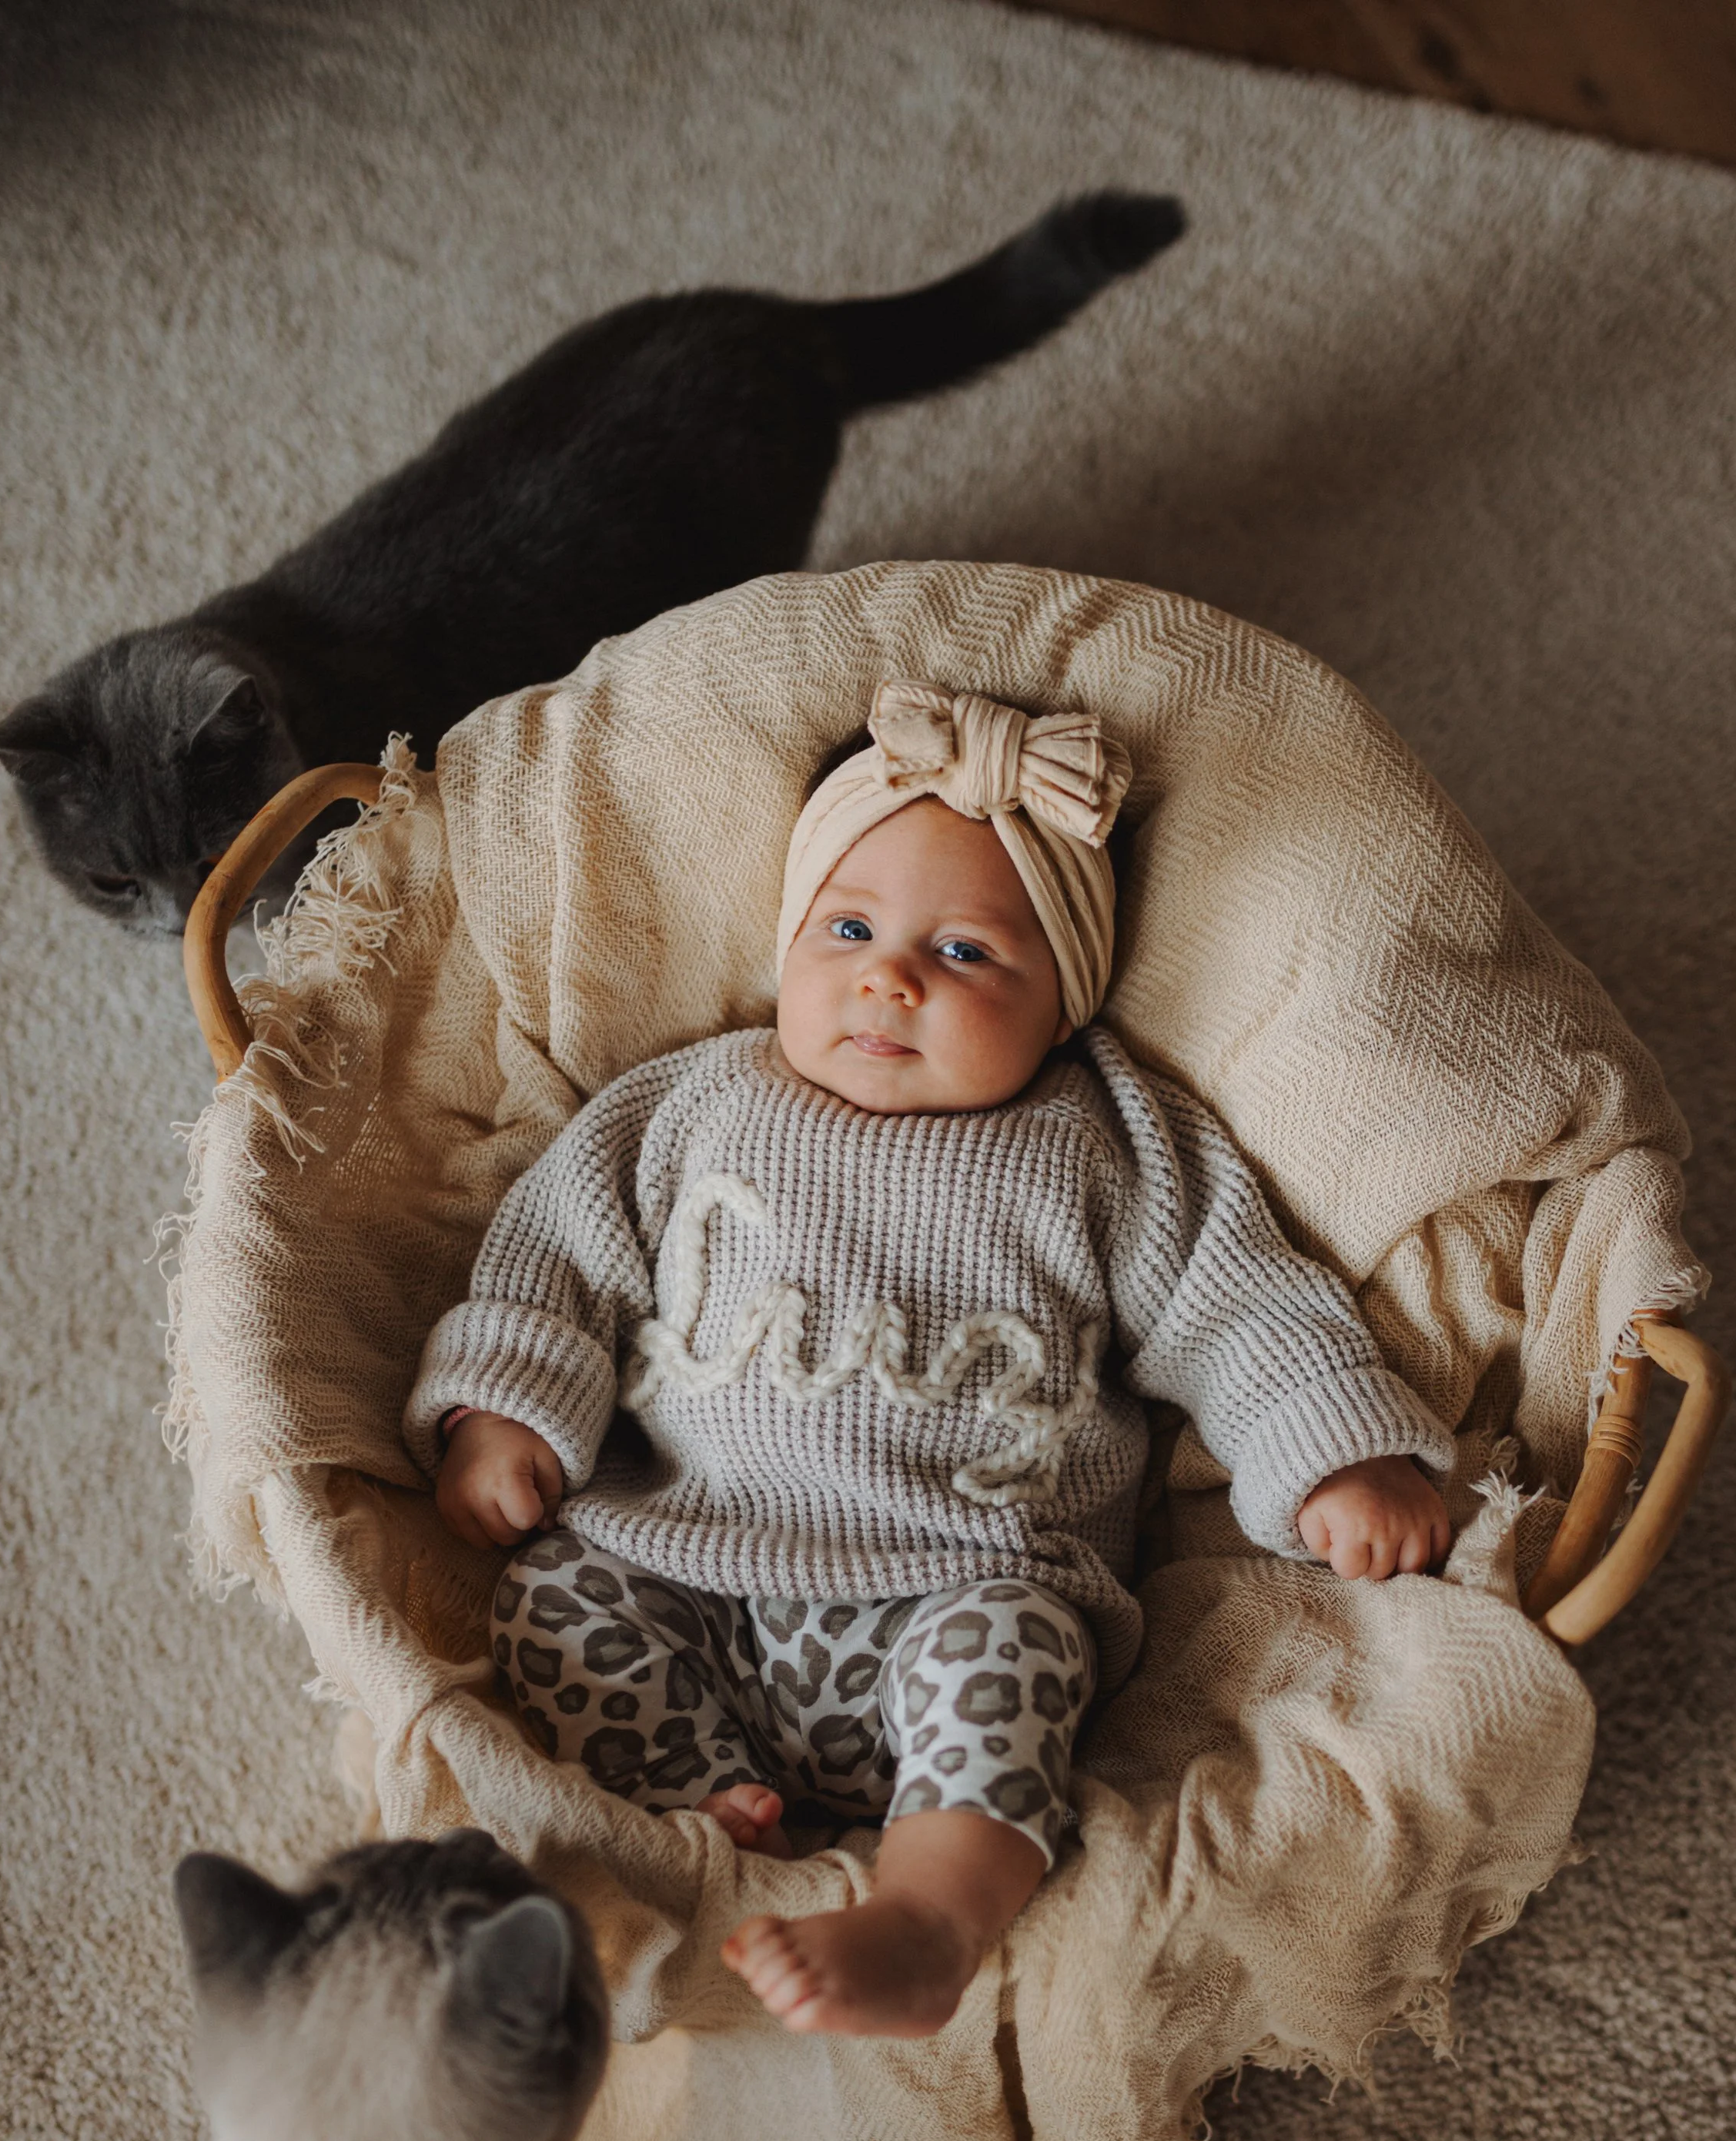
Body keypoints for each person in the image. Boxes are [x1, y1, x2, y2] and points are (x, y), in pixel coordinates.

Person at [405, 681, 1453, 2039]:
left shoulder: (1104, 1144)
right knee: (554, 1600)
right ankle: (701, 1810)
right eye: (847, 931)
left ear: (1062, 1001)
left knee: (1009, 1669)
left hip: (963, 1582)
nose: (889, 977)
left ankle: (928, 1919)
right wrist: (509, 1414)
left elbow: (1238, 1300)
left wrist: (1334, 1449)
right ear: (789, 949)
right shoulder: (692, 1106)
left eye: (966, 953)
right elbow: (558, 1253)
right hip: (690, 1562)